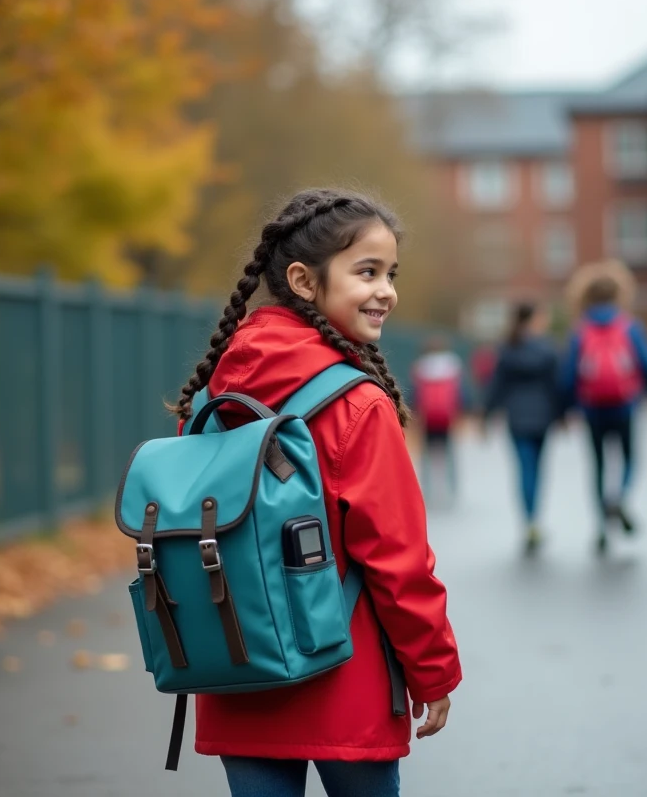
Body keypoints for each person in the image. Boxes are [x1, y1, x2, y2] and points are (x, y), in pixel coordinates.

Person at [169, 188, 461, 797]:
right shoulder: (358, 404)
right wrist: (433, 671)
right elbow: (398, 560)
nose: (387, 291)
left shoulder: (214, 394)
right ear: (304, 281)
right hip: (343, 677)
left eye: (391, 274)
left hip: (236, 669)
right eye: (367, 272)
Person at [560, 261, 647, 556]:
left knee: (598, 465)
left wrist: (568, 407)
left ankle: (601, 528)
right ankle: (620, 498)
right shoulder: (629, 326)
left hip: (592, 408)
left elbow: (568, 375)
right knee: (629, 458)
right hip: (624, 404)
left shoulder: (580, 331)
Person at [483, 302, 561, 554]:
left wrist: (486, 414)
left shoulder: (508, 348)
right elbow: (556, 384)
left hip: (516, 417)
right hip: (543, 415)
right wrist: (562, 414)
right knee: (538, 469)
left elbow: (497, 385)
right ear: (534, 318)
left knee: (524, 469)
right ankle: (535, 519)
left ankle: (529, 521)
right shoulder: (547, 349)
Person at [411, 335, 468, 502]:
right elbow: (461, 394)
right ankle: (452, 489)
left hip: (428, 417)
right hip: (447, 417)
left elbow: (415, 395)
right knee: (449, 453)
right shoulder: (452, 367)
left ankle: (427, 490)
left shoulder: (420, 368)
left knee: (426, 455)